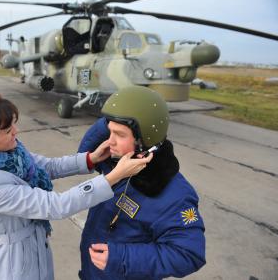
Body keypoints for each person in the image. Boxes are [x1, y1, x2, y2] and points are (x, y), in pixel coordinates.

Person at [0, 87, 153, 280]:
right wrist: (113, 177)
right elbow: (56, 206)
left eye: (13, 124)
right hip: (16, 263)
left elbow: (48, 167)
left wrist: (90, 158)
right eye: (7, 130)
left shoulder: (11, 155)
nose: (16, 131)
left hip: (36, 244)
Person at [78, 86, 206, 280]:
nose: (109, 141)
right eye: (108, 130)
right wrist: (118, 115)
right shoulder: (116, 162)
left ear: (145, 139)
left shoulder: (173, 194)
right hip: (92, 273)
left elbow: (188, 254)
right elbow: (84, 152)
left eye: (119, 134)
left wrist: (122, 258)